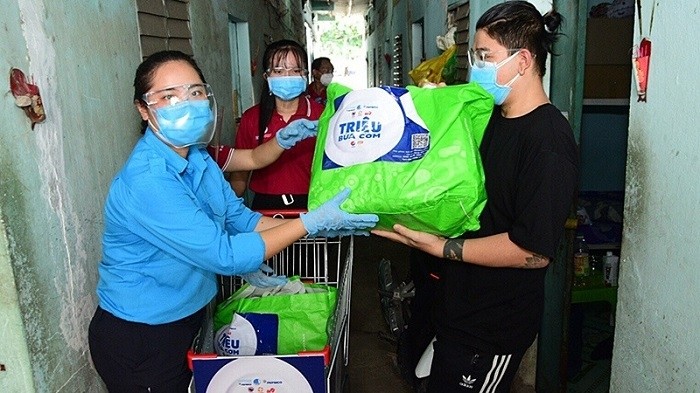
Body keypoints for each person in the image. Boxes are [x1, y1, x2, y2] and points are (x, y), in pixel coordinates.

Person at [87, 50, 378, 393]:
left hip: (189, 317)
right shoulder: (148, 180)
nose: (187, 103)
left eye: (195, 92)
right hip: (142, 333)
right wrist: (310, 223)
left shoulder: (198, 157)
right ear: (143, 108)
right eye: (169, 96)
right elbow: (224, 254)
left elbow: (242, 219)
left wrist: (325, 226)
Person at [372, 2, 579, 392]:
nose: (475, 67)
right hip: (454, 309)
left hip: (492, 327)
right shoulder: (492, 117)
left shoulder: (548, 142)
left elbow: (532, 252)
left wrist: (443, 247)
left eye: (485, 57)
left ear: (523, 62)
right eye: (474, 56)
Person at [228, 39, 322, 210]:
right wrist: (226, 210)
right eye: (278, 71)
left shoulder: (322, 115)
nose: (287, 76)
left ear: (305, 75)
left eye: (296, 70)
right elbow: (240, 173)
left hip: (314, 204)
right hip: (265, 208)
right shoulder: (252, 118)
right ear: (266, 76)